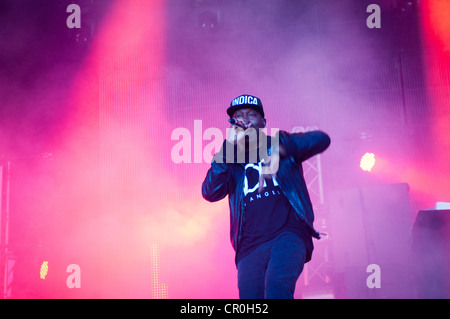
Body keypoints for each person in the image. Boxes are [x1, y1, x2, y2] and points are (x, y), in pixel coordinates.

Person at [201, 94, 331, 299]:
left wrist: (281, 151)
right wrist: (226, 150)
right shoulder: (230, 159)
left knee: (276, 288)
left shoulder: (281, 142)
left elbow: (322, 139)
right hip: (249, 245)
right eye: (239, 116)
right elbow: (209, 192)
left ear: (263, 122)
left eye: (252, 114)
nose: (245, 120)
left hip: (288, 234)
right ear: (233, 124)